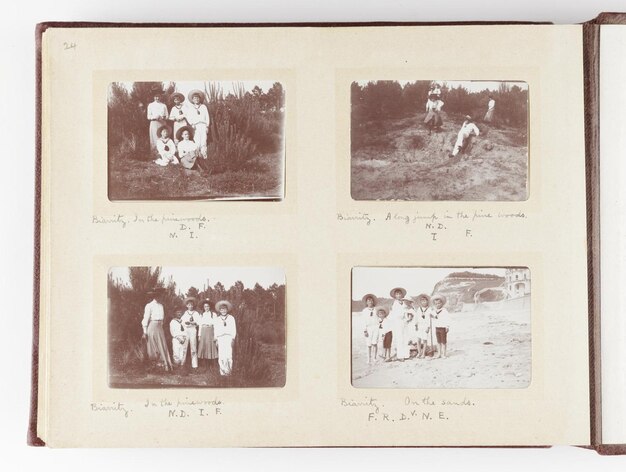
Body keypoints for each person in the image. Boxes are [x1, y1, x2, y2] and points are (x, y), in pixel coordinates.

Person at [141, 288, 173, 371]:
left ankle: (165, 364)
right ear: (155, 296)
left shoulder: (161, 306)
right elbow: (145, 319)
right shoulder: (149, 305)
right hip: (152, 326)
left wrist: (161, 326)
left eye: (161, 295)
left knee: (162, 344)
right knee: (153, 346)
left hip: (160, 327)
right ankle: (157, 365)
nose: (160, 297)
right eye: (158, 295)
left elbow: (162, 319)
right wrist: (145, 332)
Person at [185, 90, 210, 160]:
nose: (196, 99)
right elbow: (188, 117)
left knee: (203, 141)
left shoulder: (203, 107)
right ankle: (197, 157)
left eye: (197, 98)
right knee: (197, 141)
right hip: (196, 126)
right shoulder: (191, 108)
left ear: (200, 99)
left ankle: (204, 157)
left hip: (203, 125)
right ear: (192, 100)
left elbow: (207, 117)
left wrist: (207, 126)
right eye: (195, 98)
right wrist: (192, 124)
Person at [214, 300, 237, 376]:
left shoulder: (231, 318)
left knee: (228, 355)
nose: (223, 311)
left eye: (224, 309)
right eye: (221, 309)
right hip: (220, 338)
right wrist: (216, 339)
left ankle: (228, 372)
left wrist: (233, 338)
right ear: (219, 310)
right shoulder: (217, 319)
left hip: (228, 338)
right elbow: (216, 330)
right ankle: (222, 372)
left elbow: (234, 329)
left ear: (227, 310)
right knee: (221, 355)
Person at [387, 287, 407, 361]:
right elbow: (395, 314)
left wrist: (407, 317)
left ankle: (405, 354)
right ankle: (400, 355)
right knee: (399, 338)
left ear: (402, 295)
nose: (398, 295)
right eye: (397, 294)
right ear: (395, 296)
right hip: (398, 321)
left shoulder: (404, 303)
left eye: (400, 294)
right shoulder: (395, 304)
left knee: (405, 337)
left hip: (404, 321)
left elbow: (407, 311)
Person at [146, 90, 168, 156]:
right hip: (154, 123)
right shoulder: (150, 105)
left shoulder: (163, 105)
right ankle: (155, 154)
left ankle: (164, 154)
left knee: (163, 137)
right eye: (156, 96)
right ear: (153, 97)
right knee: (155, 138)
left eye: (158, 96)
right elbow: (148, 116)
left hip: (162, 123)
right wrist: (155, 117)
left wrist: (163, 117)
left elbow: (167, 116)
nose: (157, 98)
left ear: (160, 97)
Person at [181, 297, 201, 369]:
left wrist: (194, 323)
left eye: (191, 305)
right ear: (187, 306)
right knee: (184, 346)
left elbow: (198, 322)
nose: (190, 306)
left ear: (193, 305)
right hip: (186, 330)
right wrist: (186, 323)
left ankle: (194, 365)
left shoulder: (196, 313)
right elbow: (182, 322)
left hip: (193, 330)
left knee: (193, 347)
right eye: (189, 305)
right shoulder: (185, 313)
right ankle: (182, 363)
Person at [198, 299, 218, 367]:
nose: (206, 308)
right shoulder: (202, 315)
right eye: (205, 306)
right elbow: (200, 325)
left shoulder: (213, 314)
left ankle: (212, 364)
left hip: (210, 331)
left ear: (210, 307)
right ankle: (205, 364)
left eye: (208, 306)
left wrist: (215, 336)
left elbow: (215, 325)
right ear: (203, 307)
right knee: (204, 346)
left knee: (210, 346)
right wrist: (199, 336)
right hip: (203, 331)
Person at [431, 294, 450, 359]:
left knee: (443, 342)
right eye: (436, 304)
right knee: (438, 341)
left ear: (442, 303)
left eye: (439, 303)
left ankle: (443, 354)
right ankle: (439, 353)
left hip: (443, 327)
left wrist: (447, 326)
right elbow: (433, 318)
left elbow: (447, 319)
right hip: (437, 327)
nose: (438, 305)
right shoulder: (434, 311)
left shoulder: (444, 311)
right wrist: (431, 316)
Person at [361, 294, 379, 364]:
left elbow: (380, 318)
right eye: (368, 300)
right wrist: (365, 330)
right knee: (369, 344)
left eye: (371, 300)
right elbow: (363, 321)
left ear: (373, 301)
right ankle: (369, 358)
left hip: (376, 327)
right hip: (368, 328)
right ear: (366, 302)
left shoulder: (376, 309)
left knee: (375, 343)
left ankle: (374, 358)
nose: (370, 302)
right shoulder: (364, 311)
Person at [414, 294, 432, 359]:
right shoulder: (419, 309)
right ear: (420, 302)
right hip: (419, 325)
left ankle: (423, 354)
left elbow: (430, 320)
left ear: (427, 301)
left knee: (424, 340)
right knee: (418, 340)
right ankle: (419, 352)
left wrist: (428, 327)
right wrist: (416, 325)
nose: (424, 302)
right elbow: (416, 317)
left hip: (425, 326)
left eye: (425, 301)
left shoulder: (429, 309)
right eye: (422, 301)